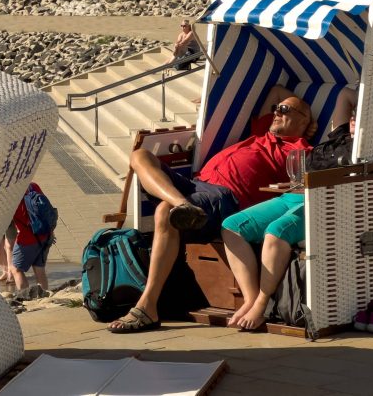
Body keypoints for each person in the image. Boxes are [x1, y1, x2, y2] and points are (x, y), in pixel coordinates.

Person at [107, 87, 315, 333]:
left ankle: (147, 306)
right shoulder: (262, 132)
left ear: (303, 121)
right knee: (141, 155)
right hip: (197, 185)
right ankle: (182, 204)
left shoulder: (301, 151)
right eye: (276, 110)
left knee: (164, 212)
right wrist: (289, 104)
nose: (276, 113)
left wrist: (309, 123)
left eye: (284, 110)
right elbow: (275, 91)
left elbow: (300, 183)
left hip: (224, 197)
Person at [220, 115, 354, 330]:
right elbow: (345, 98)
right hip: (294, 193)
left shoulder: (365, 149)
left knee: (276, 231)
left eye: (359, 116)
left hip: (326, 200)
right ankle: (250, 299)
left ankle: (262, 304)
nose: (354, 120)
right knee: (232, 226)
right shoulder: (339, 137)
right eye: (352, 116)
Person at [10, 182, 53, 296]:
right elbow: (47, 209)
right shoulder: (32, 186)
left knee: (16, 269)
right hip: (45, 234)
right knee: (39, 269)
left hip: (27, 238)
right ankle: (44, 296)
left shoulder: (11, 194)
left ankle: (25, 296)